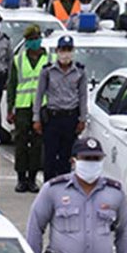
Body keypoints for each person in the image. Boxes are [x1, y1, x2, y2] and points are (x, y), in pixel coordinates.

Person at [34, 35, 88, 180]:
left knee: (66, 157)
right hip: (52, 118)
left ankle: (64, 189)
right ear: (57, 51)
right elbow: (39, 95)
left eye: (69, 49)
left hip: (70, 118)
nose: (66, 53)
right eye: (63, 49)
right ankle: (48, 188)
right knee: (50, 157)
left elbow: (83, 96)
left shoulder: (80, 72)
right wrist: (36, 118)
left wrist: (83, 119)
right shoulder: (47, 71)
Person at [8, 25, 49, 192]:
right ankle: (21, 179)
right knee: (21, 143)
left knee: (37, 144)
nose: (34, 42)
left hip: (42, 106)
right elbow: (12, 84)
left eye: (36, 38)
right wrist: (10, 108)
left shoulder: (49, 59)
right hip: (22, 106)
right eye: (31, 40)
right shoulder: (18, 59)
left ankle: (32, 179)